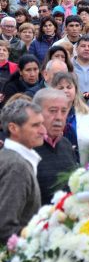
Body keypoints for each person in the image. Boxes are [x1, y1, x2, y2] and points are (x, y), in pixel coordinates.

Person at [0, 99, 46, 243]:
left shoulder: (11, 159)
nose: (43, 131)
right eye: (35, 125)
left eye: (42, 124)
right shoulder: (16, 166)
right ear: (13, 128)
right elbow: (4, 228)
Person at [33, 88, 77, 204]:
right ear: (36, 113)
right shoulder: (27, 147)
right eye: (53, 111)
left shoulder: (66, 145)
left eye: (64, 111)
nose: (59, 117)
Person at [51, 72, 89, 166]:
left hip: (81, 173)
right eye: (61, 88)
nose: (65, 91)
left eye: (69, 87)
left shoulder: (86, 114)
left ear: (75, 90)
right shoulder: (47, 115)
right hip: (55, 171)